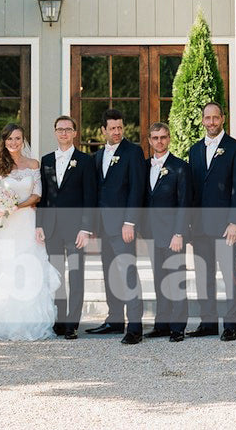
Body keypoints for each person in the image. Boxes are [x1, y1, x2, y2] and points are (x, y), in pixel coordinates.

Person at [0, 123, 60, 341]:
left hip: (26, 221)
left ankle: (30, 322)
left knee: (30, 266)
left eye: (18, 139)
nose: (14, 143)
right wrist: (0, 206)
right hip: (6, 225)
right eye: (10, 139)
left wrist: (16, 206)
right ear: (4, 141)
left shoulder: (33, 164)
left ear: (24, 141)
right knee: (8, 266)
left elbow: (37, 194)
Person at [187, 102, 236, 342]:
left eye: (216, 118)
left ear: (223, 118)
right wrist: (190, 224)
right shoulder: (194, 150)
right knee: (204, 274)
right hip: (200, 225)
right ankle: (208, 322)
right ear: (202, 120)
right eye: (207, 118)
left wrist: (235, 221)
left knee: (230, 276)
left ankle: (232, 324)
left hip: (226, 227)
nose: (211, 122)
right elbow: (192, 190)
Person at [86, 108, 146, 345]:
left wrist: (130, 222)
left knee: (127, 272)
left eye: (120, 127)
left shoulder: (133, 152)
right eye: (112, 128)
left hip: (123, 226)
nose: (117, 132)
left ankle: (135, 326)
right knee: (109, 271)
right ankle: (114, 319)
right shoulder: (99, 156)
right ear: (103, 130)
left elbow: (136, 189)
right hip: (103, 226)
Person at [36, 114, 96, 340]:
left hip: (75, 230)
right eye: (60, 129)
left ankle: (72, 323)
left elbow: (90, 196)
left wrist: (86, 228)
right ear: (55, 132)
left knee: (76, 274)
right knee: (57, 276)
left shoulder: (85, 161)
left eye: (68, 129)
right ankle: (60, 320)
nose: (64, 133)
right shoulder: (46, 160)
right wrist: (39, 224)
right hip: (51, 228)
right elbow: (44, 197)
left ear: (75, 133)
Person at [143, 121, 192, 342]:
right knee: (159, 279)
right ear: (149, 140)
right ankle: (161, 323)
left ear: (169, 138)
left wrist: (179, 233)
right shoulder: (144, 166)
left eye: (163, 137)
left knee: (176, 279)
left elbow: (184, 203)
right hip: (152, 233)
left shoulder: (180, 167)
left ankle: (178, 326)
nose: (159, 141)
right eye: (155, 138)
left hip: (173, 235)